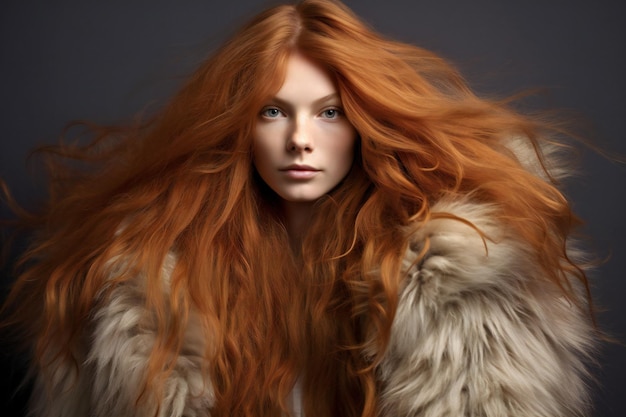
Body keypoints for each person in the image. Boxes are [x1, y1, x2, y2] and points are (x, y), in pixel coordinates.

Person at [1, 0, 598, 416]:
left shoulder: (467, 280)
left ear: (366, 123)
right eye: (272, 111)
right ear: (238, 128)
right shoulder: (144, 284)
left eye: (329, 112)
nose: (300, 139)